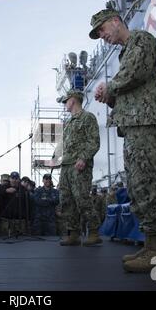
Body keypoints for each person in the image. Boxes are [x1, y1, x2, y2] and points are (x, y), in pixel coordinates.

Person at [91, 9, 156, 272]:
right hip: (136, 126)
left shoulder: (141, 40)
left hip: (148, 124)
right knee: (139, 187)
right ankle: (152, 247)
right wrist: (111, 95)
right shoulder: (126, 51)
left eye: (102, 29)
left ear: (116, 21)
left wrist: (110, 87)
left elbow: (134, 72)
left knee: (149, 184)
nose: (102, 36)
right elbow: (129, 90)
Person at [57, 90, 101, 246]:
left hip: (79, 165)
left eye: (65, 101)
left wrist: (83, 157)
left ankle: (94, 232)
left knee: (82, 198)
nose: (64, 104)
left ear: (73, 100)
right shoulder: (69, 122)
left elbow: (94, 141)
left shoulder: (87, 117)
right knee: (66, 200)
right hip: (66, 165)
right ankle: (73, 233)